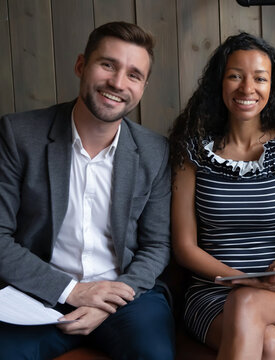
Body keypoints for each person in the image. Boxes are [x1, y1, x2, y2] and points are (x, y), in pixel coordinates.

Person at [0, 22, 174, 359]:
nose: (118, 83)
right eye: (107, 65)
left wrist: (110, 300)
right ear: (81, 65)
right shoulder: (18, 135)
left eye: (133, 75)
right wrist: (72, 292)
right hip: (37, 293)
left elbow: (157, 245)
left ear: (143, 87)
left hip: (125, 297)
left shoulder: (155, 151)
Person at [169, 32, 275, 359]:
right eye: (235, 76)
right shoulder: (191, 151)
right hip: (210, 292)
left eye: (259, 78)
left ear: (272, 86)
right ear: (219, 83)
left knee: (248, 303)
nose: (247, 88)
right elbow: (184, 247)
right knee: (269, 344)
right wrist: (242, 280)